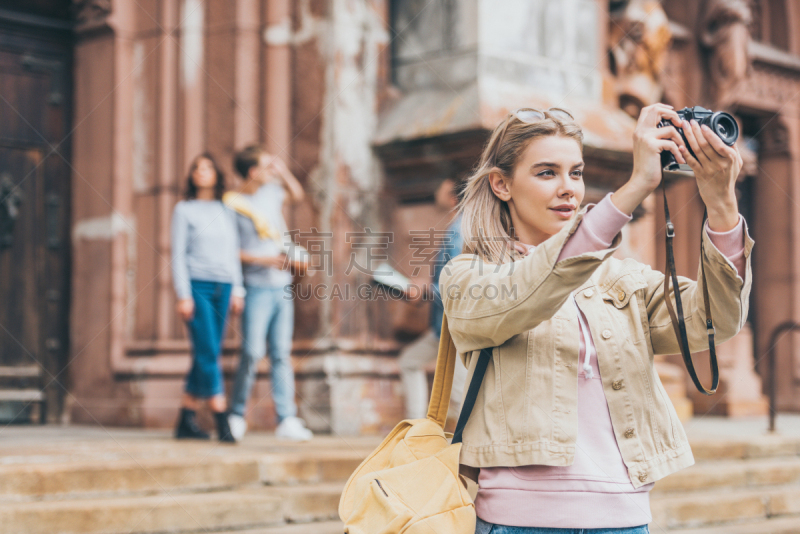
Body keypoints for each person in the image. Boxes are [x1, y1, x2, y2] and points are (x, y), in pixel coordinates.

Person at [439, 104, 752, 534]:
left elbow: (714, 321)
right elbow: (533, 288)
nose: (568, 188)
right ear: (501, 184)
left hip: (624, 520)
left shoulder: (621, 276)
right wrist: (639, 183)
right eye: (547, 173)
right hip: (519, 523)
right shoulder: (470, 277)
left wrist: (721, 204)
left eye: (576, 172)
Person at [226, 145, 312, 441]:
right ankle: (236, 414)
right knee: (251, 352)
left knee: (281, 354)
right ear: (252, 171)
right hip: (256, 286)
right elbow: (228, 251)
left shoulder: (271, 193)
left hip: (281, 285)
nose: (270, 171)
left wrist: (282, 170)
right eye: (266, 166)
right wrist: (263, 260)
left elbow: (298, 195)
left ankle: (286, 418)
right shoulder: (232, 204)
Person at [171, 153, 245, 443]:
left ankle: (185, 419)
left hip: (224, 286)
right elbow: (177, 255)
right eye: (196, 168)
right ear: (191, 175)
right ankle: (221, 417)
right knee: (208, 352)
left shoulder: (226, 209)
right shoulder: (184, 210)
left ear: (216, 174)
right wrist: (183, 294)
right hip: (198, 286)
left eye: (207, 167)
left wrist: (238, 289)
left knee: (207, 351)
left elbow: (233, 250)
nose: (201, 172)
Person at [398, 178, 469, 422]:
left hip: (457, 328)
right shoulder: (455, 228)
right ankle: (415, 426)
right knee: (410, 361)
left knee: (459, 396)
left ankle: (472, 454)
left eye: (442, 186)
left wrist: (426, 289)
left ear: (452, 197)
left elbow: (460, 285)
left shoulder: (460, 231)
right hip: (442, 327)